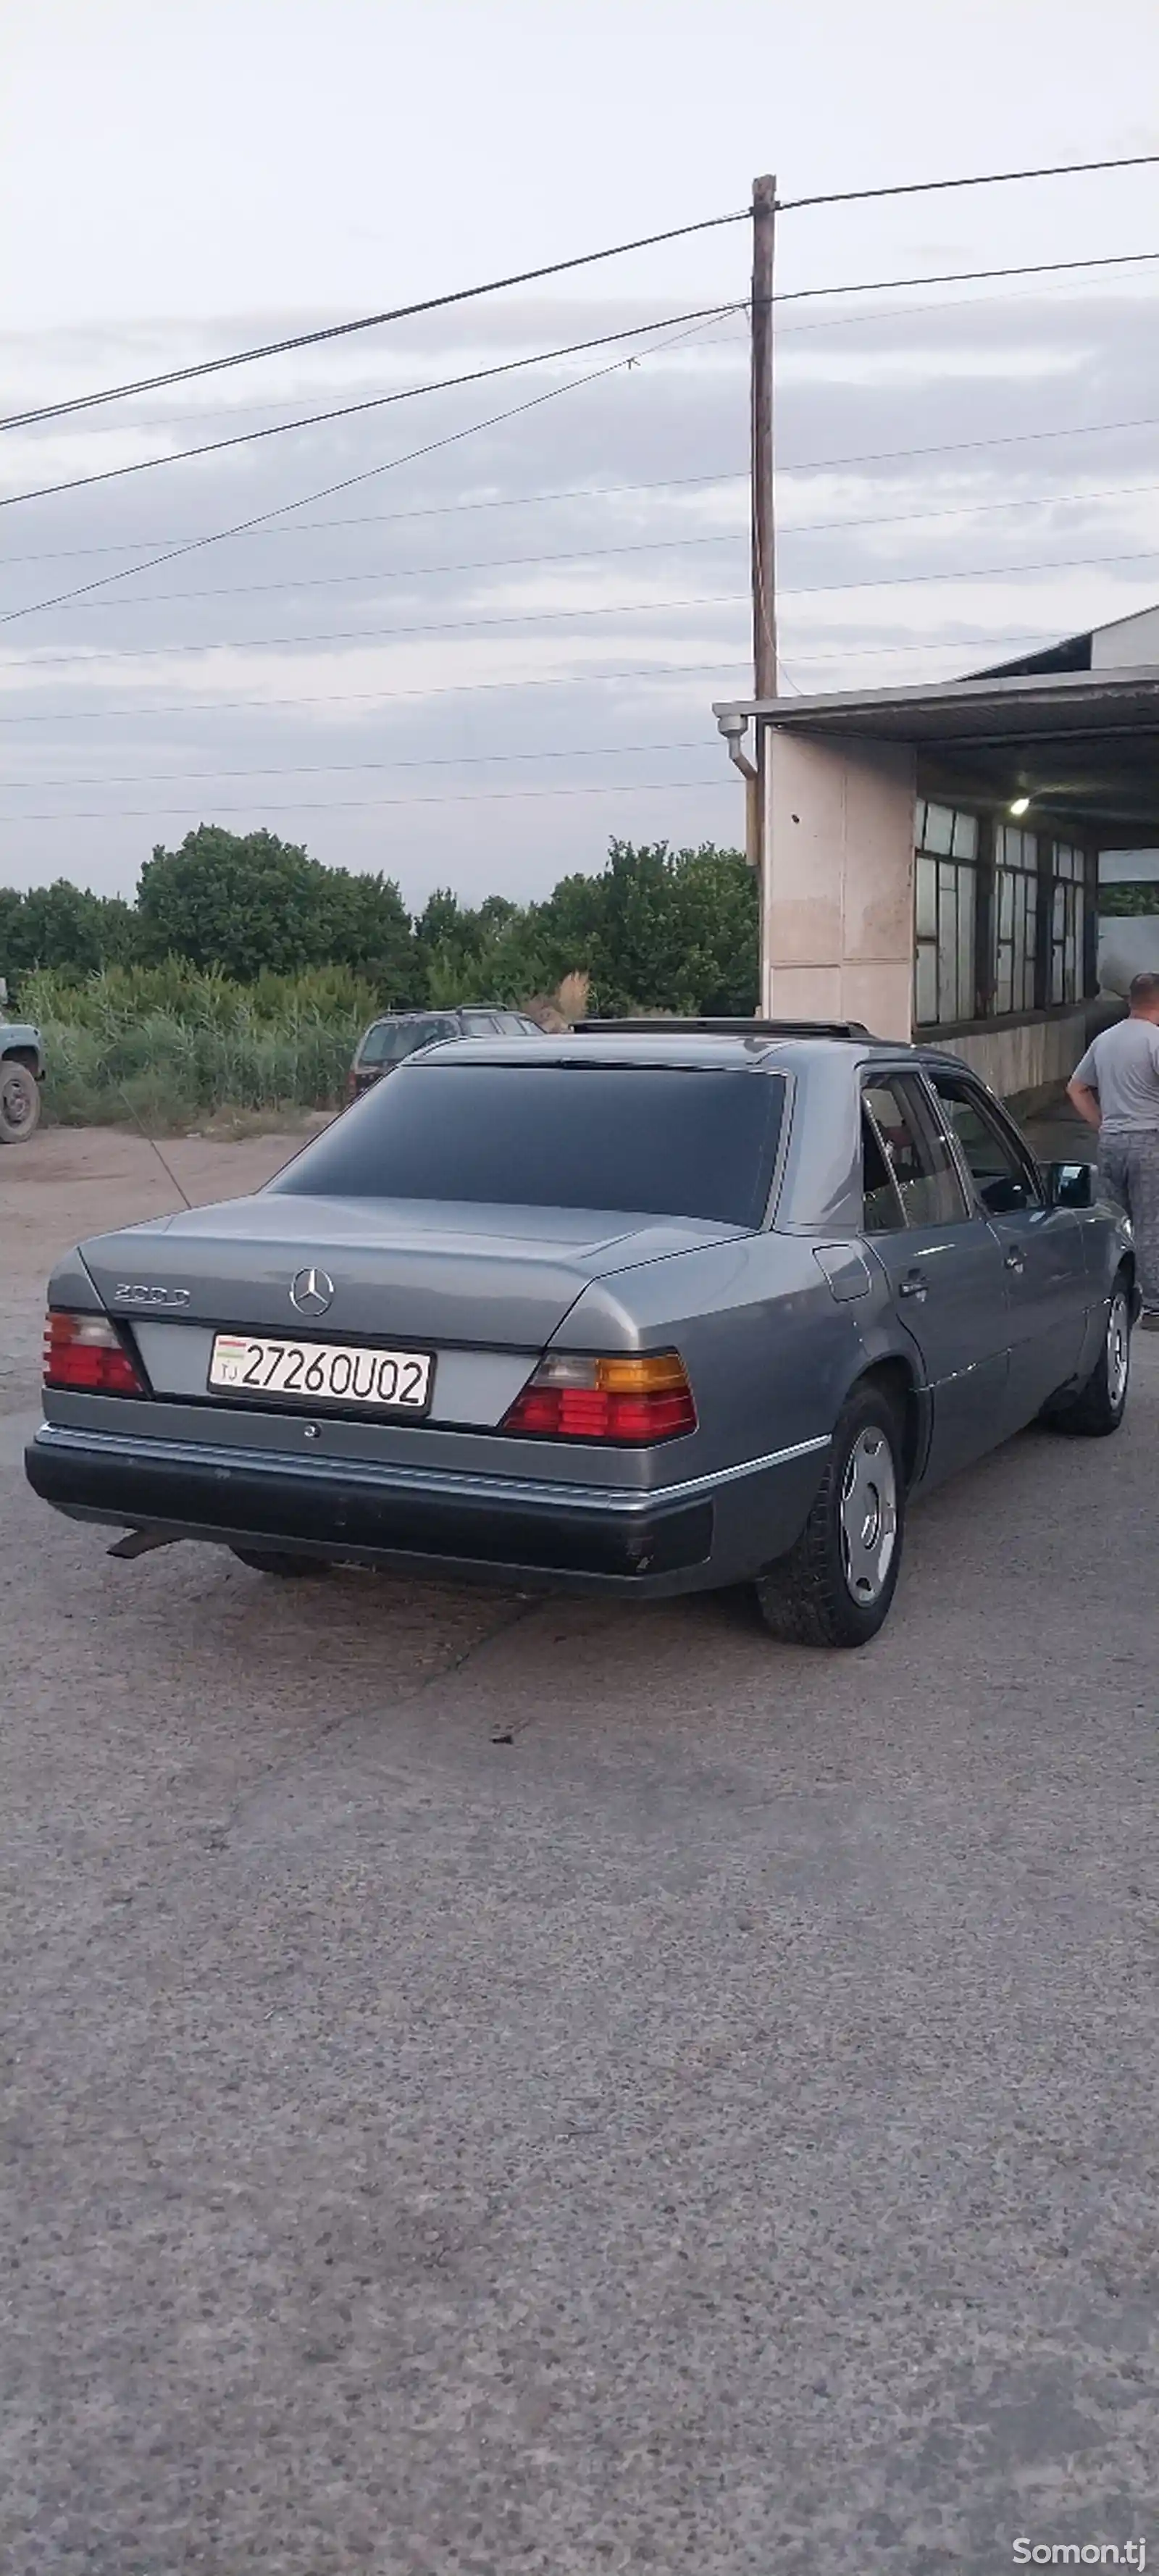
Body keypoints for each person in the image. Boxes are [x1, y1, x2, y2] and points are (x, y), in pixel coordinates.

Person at [1068, 970, 1159, 1329]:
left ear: (1130, 1001)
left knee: (1117, 1225)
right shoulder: (1155, 1039)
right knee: (1151, 1223)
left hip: (1111, 1144)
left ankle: (1113, 1298)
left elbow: (1076, 1088)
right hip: (1149, 1142)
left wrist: (1103, 1124)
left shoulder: (1105, 1040)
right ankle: (1154, 1306)